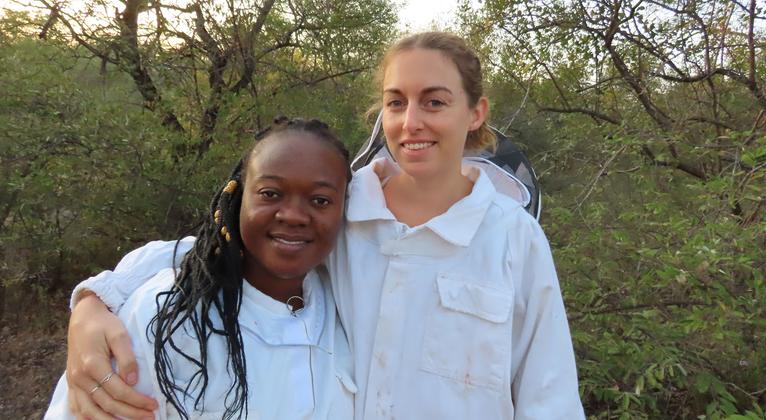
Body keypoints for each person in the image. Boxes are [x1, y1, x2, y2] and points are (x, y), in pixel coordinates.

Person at [60, 32, 585, 419]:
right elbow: (215, 244)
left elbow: (549, 392)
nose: (412, 122)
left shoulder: (514, 237)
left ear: (475, 113)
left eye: (435, 101)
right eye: (396, 102)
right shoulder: (347, 206)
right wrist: (94, 301)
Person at [45, 118, 356, 419]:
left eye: (320, 200)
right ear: (236, 199)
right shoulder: (164, 314)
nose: (293, 215)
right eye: (270, 194)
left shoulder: (346, 309)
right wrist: (94, 298)